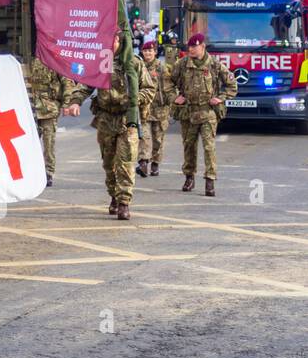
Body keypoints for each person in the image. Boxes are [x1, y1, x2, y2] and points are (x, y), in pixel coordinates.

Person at [65, 32, 157, 220]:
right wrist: (75, 101)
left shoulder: (133, 63)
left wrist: (134, 99)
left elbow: (149, 89)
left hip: (127, 120)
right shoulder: (100, 61)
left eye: (113, 39)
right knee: (109, 164)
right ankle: (114, 195)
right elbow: (85, 85)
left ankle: (124, 202)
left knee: (126, 163)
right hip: (106, 119)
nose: (110, 43)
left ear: (119, 41)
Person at [170, 33, 237, 196]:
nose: (191, 49)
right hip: (188, 112)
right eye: (190, 47)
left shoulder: (214, 65)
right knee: (189, 146)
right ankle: (189, 177)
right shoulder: (182, 64)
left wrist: (220, 98)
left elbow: (232, 85)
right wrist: (174, 97)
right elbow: (167, 81)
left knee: (209, 147)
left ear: (203, 46)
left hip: (208, 112)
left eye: (195, 46)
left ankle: (210, 180)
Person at [27, 56, 75, 187]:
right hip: (31, 108)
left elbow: (67, 82)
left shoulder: (57, 61)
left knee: (48, 144)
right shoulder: (33, 61)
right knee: (31, 144)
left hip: (49, 108)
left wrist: (66, 104)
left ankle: (48, 173)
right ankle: (32, 172)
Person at [137, 40, 174, 177]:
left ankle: (155, 163)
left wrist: (173, 102)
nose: (147, 53)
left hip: (160, 110)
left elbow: (169, 87)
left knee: (158, 140)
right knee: (144, 138)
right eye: (145, 51)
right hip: (144, 109)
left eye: (150, 51)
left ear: (155, 52)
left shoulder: (162, 68)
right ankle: (143, 163)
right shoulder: (139, 67)